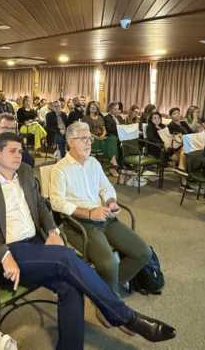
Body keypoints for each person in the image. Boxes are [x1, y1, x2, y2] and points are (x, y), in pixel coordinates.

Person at [0, 133, 177, 349]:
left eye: (20, 151)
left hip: (36, 245)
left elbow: (41, 207)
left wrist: (53, 230)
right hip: (8, 253)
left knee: (70, 287)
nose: (19, 156)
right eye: (12, 151)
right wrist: (3, 254)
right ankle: (126, 316)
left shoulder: (26, 173)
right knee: (66, 258)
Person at [50, 122, 152, 297]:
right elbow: (57, 202)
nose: (89, 142)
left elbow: (106, 188)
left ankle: (102, 290)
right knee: (109, 264)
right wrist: (89, 213)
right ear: (70, 142)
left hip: (105, 217)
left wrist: (111, 201)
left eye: (89, 138)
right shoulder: (60, 169)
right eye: (83, 138)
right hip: (80, 224)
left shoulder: (93, 163)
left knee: (143, 252)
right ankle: (110, 301)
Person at [83, 101, 120, 177]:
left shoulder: (100, 117)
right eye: (91, 107)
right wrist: (97, 137)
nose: (93, 108)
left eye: (95, 107)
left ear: (97, 109)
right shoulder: (85, 118)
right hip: (91, 137)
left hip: (101, 136)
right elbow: (86, 131)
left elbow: (104, 129)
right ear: (89, 108)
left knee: (112, 138)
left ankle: (113, 159)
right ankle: (110, 167)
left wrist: (102, 135)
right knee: (96, 140)